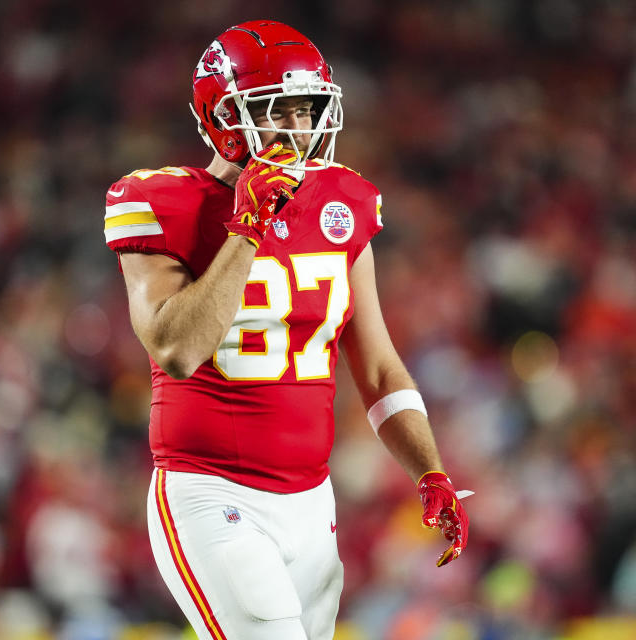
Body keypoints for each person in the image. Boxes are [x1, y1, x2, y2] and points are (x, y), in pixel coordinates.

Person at [103, 20, 471, 640]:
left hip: (311, 502)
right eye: (277, 110)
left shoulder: (341, 203)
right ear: (222, 114)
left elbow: (378, 365)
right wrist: (246, 226)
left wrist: (430, 470)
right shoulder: (162, 201)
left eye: (309, 110)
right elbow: (177, 349)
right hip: (209, 492)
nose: (298, 131)